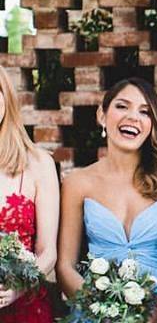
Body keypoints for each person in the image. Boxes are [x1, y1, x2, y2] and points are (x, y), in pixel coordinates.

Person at [58, 77, 157, 322]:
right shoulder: (77, 182)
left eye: (145, 112)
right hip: (96, 315)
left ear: (152, 124)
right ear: (102, 115)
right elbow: (65, 266)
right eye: (122, 106)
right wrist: (98, 309)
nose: (133, 117)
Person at [0, 65, 58, 322]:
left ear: (7, 97)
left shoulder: (38, 163)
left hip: (24, 307)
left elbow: (48, 252)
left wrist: (18, 287)